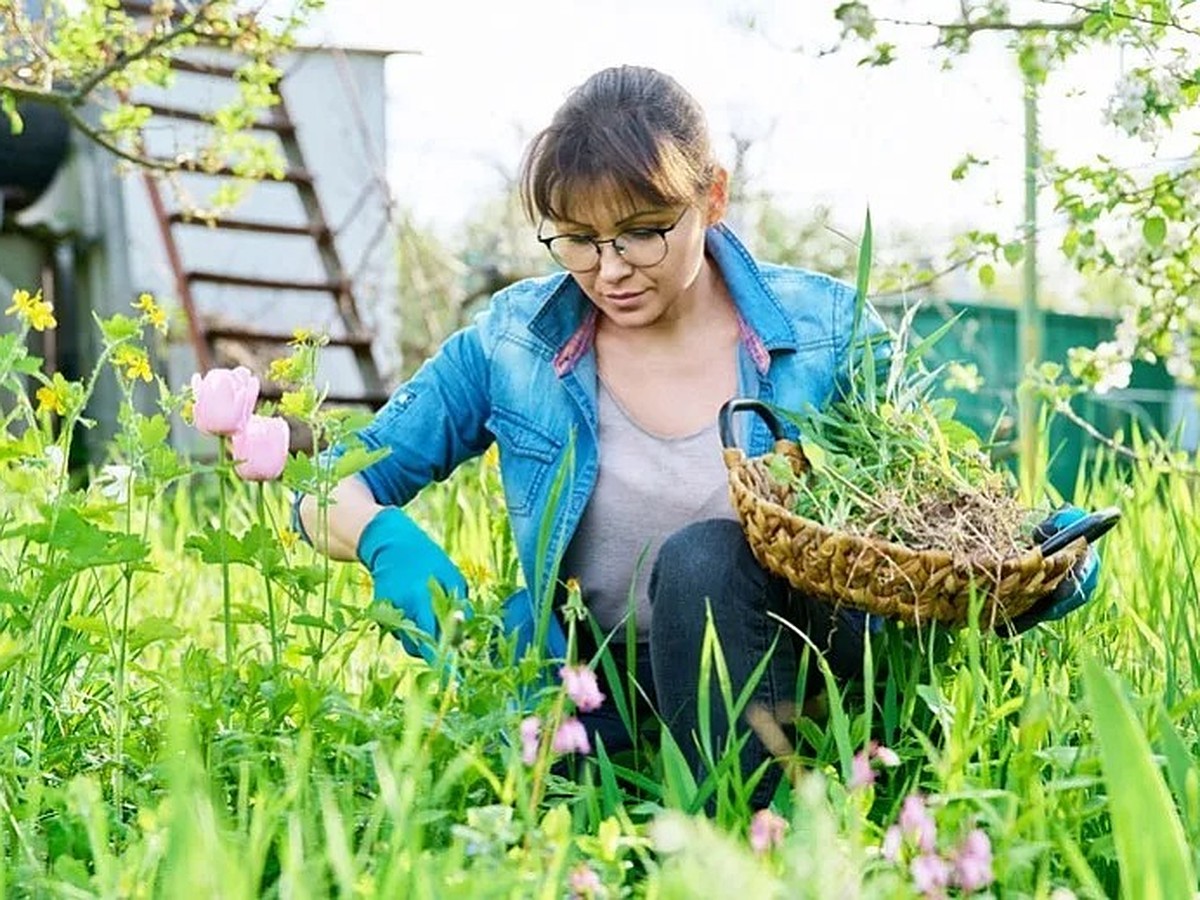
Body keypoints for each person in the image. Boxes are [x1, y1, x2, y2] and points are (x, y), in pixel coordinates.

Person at [294, 65, 1100, 810]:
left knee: (705, 558)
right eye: (577, 237)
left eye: (643, 231)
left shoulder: (825, 332)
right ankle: (620, 800)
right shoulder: (516, 343)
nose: (609, 269)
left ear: (711, 197)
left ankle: (738, 835)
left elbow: (922, 509)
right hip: (592, 683)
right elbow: (332, 481)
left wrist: (1029, 559)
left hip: (793, 673)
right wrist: (381, 537)